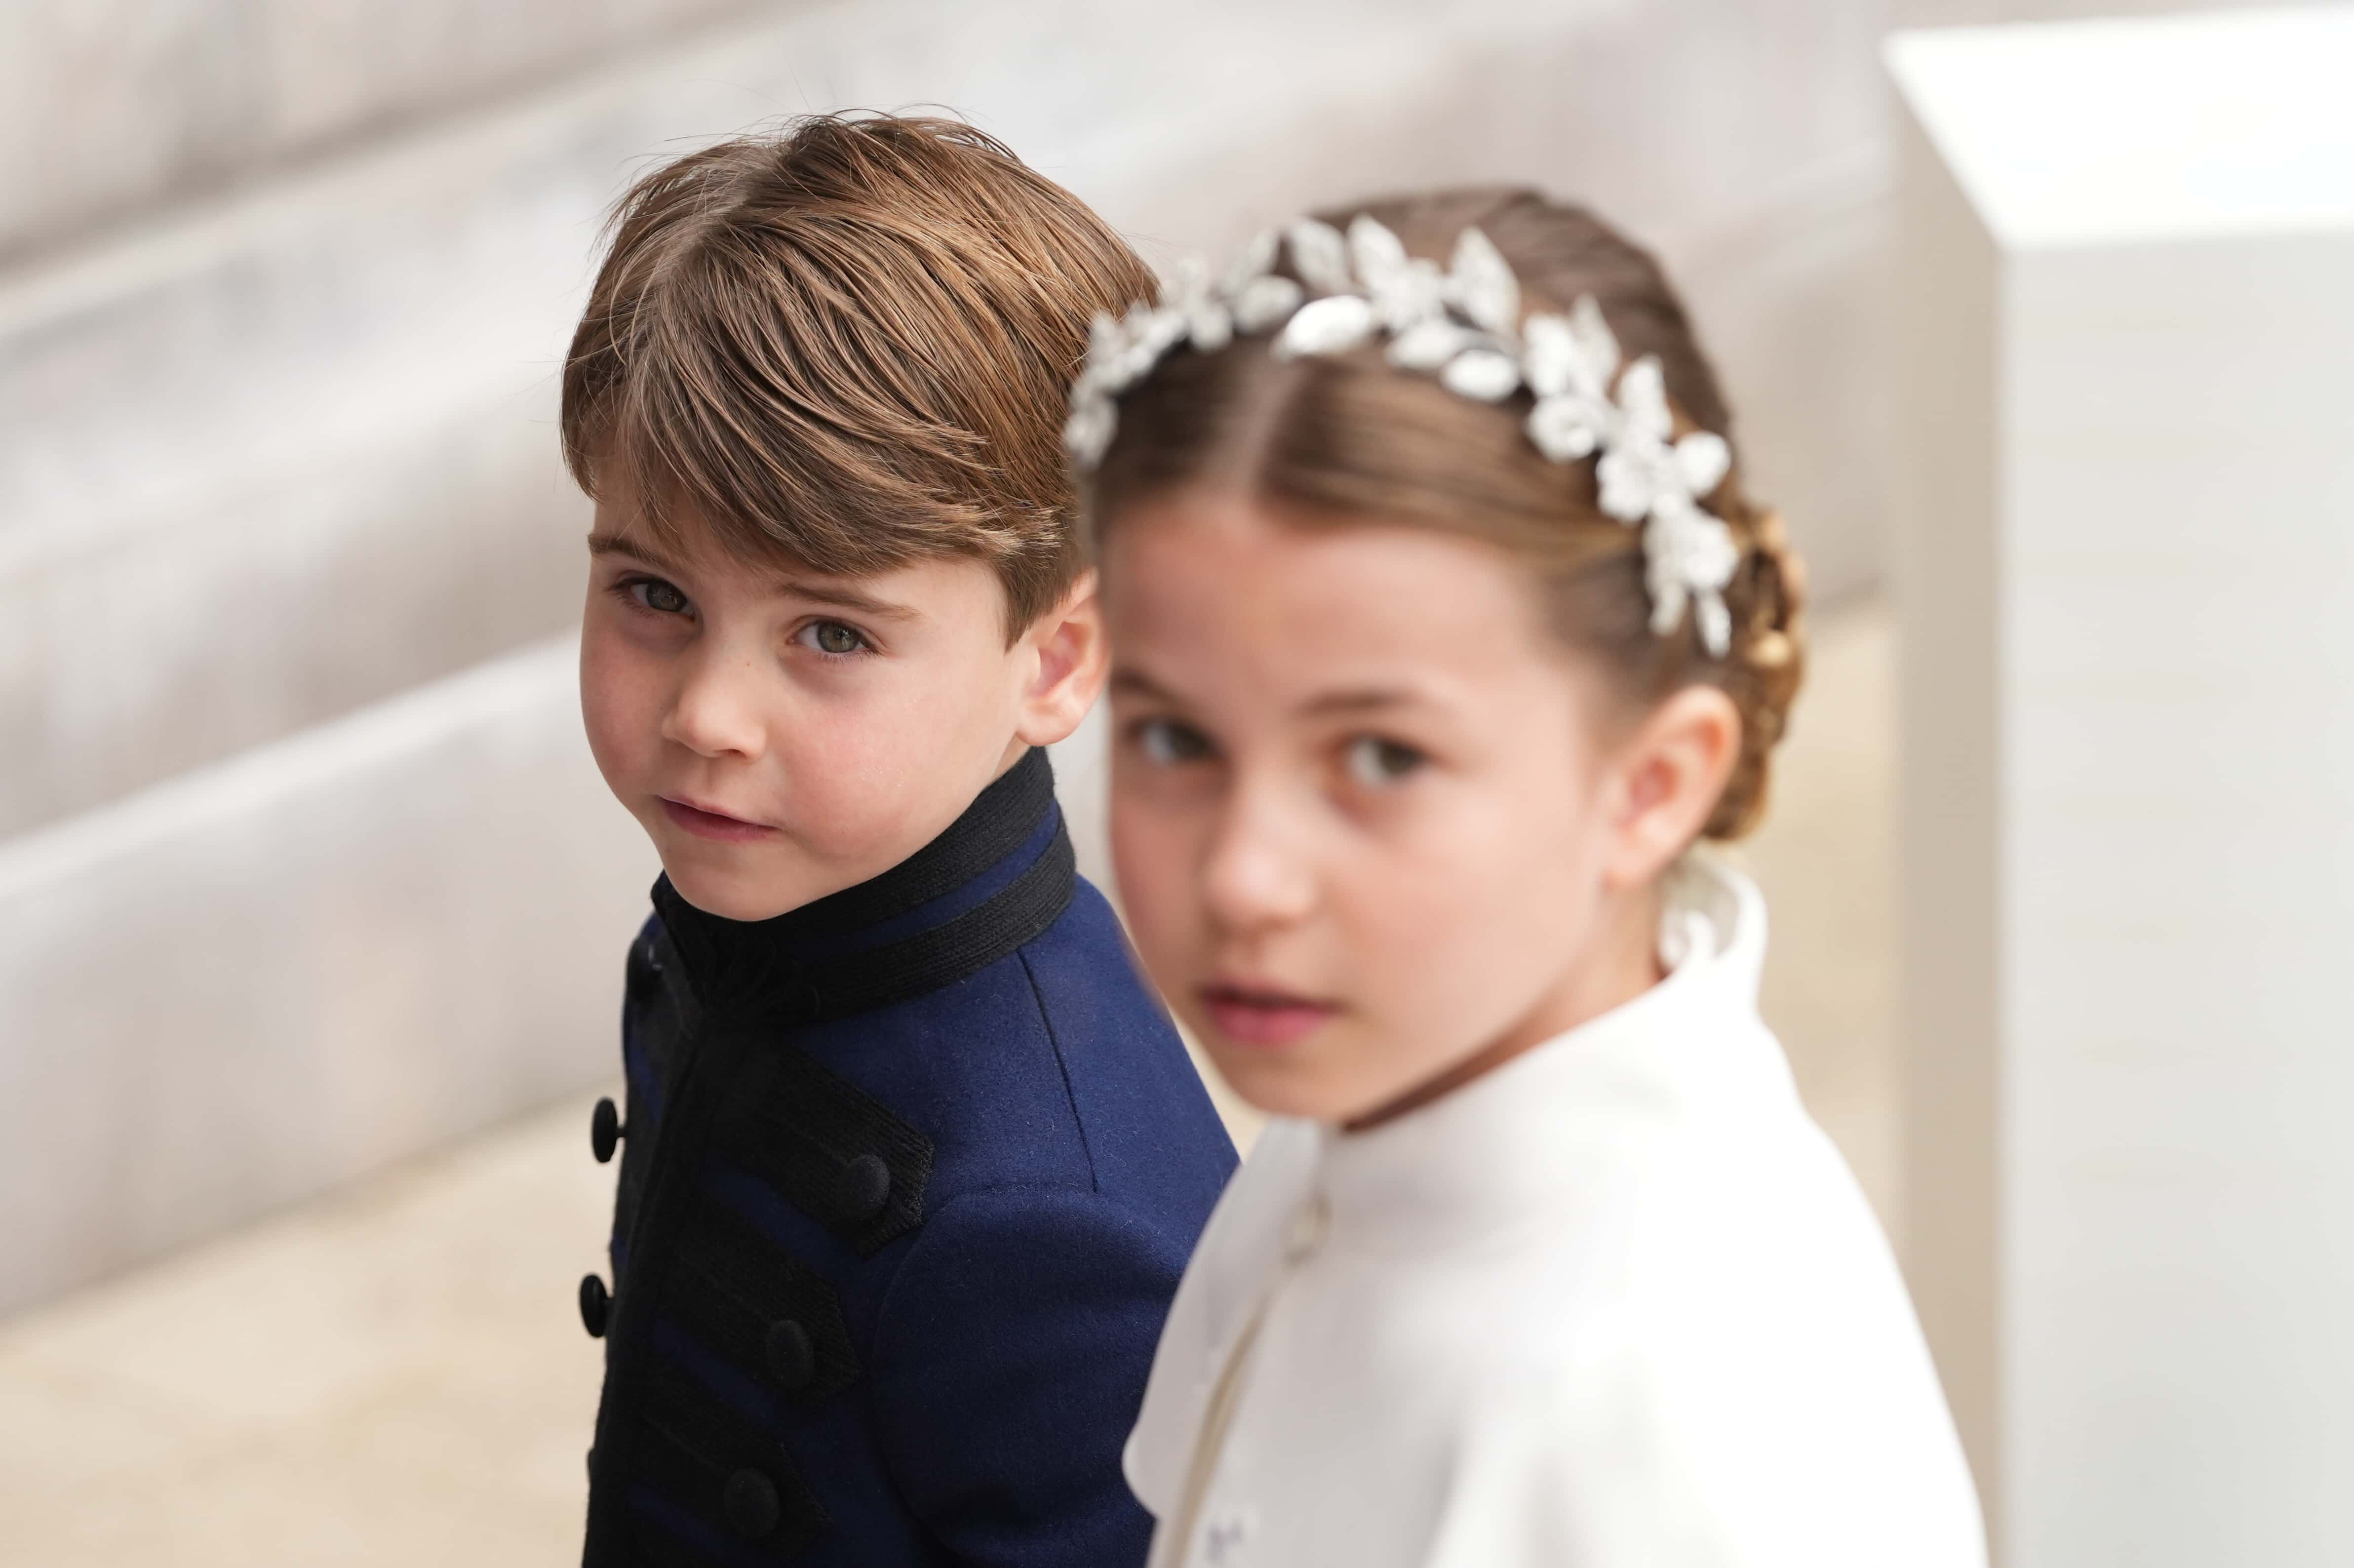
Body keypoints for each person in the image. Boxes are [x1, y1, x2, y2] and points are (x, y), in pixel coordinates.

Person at [1076, 188, 1986, 1568]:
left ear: (1650, 785)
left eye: (1380, 757)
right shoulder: (1357, 1120)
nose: (1247, 878)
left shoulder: (1700, 1446)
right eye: (1173, 738)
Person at [560, 114, 1237, 1568]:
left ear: (1054, 663)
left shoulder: (1053, 1228)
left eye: (828, 632)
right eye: (656, 596)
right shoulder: (757, 925)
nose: (709, 716)